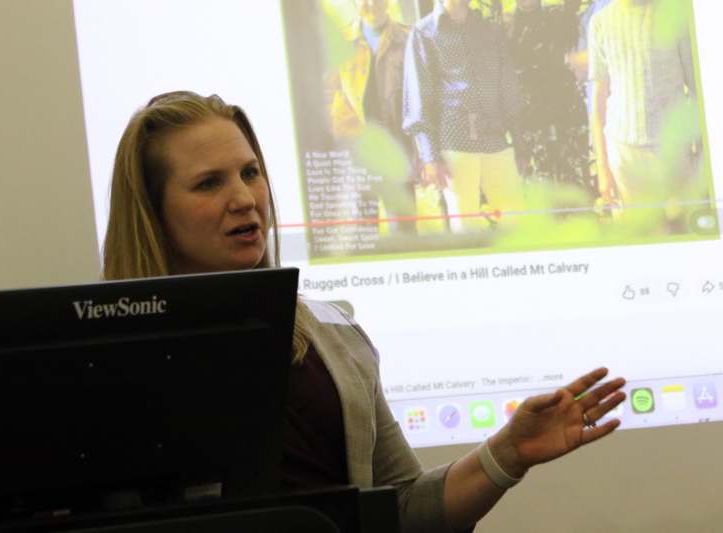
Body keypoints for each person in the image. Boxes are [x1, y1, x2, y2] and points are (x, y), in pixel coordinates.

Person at [103, 90, 627, 532]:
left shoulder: (333, 333)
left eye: (250, 172)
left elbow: (400, 506)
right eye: (209, 182)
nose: (244, 198)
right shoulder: (114, 362)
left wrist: (507, 453)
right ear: (153, 211)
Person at [402, 0, 527, 231]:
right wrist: (429, 157)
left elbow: (509, 90)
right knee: (466, 228)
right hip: (455, 145)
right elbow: (419, 99)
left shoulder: (489, 31)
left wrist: (520, 143)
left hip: (496, 140)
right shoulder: (424, 33)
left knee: (516, 223)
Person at [588, 0, 699, 226]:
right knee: (635, 241)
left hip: (673, 154)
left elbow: (699, 89)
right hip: (623, 158)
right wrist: (602, 166)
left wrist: (702, 155)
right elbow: (598, 100)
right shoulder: (600, 22)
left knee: (682, 234)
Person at [329, 0, 417, 235]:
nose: (371, 3)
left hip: (397, 150)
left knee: (405, 234)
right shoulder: (341, 42)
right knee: (363, 234)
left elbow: (421, 98)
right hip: (359, 151)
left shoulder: (410, 39)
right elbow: (329, 94)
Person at [508, 0, 590, 187]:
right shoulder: (505, 28)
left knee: (575, 191)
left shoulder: (559, 17)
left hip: (566, 119)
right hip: (531, 125)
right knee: (539, 193)